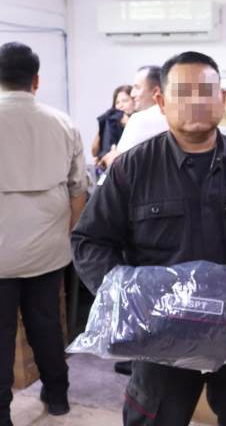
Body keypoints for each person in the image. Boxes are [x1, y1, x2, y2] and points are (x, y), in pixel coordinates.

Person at [71, 51, 226, 426]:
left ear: (222, 98)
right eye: (183, 92)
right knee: (158, 418)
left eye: (207, 91)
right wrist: (129, 296)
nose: (196, 101)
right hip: (159, 333)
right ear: (162, 102)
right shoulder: (132, 168)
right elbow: (89, 242)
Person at [0, 42, 88, 426]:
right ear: (36, 80)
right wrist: (66, 235)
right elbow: (79, 190)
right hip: (48, 250)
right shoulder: (63, 123)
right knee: (46, 323)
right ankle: (58, 396)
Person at [99, 65, 167, 170]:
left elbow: (116, 165)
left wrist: (110, 157)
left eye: (137, 87)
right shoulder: (176, 118)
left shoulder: (139, 119)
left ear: (155, 92)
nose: (132, 94)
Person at [91, 85, 135, 168]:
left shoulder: (139, 121)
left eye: (125, 101)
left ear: (134, 101)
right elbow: (94, 152)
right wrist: (101, 129)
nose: (120, 105)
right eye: (117, 102)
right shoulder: (110, 120)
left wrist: (128, 124)